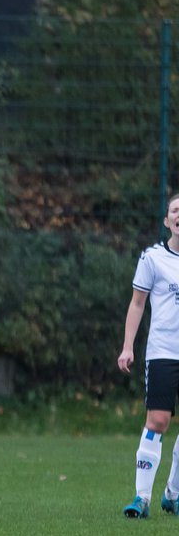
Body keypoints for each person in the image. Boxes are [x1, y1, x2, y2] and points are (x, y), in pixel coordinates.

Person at [117, 192, 179, 518]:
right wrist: (128, 346)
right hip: (163, 353)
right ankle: (141, 498)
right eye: (175, 210)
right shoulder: (153, 258)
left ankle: (173, 494)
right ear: (167, 220)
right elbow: (137, 303)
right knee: (158, 420)